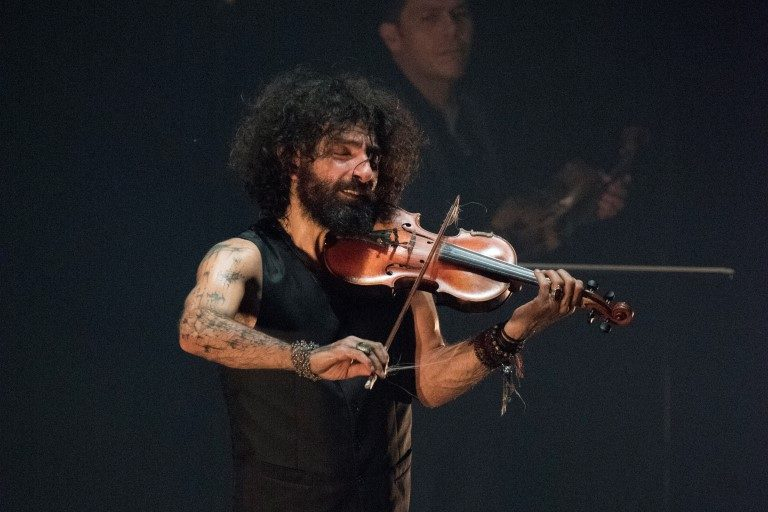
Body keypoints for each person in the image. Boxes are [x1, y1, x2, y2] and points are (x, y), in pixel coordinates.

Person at [178, 69, 586, 512]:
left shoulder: (400, 268)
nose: (367, 171)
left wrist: (512, 333)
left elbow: (429, 383)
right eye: (342, 154)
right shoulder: (243, 257)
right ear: (292, 159)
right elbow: (197, 329)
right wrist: (307, 358)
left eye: (372, 155)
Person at [375, 0, 634, 257]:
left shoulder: (479, 112)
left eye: (459, 13)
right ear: (393, 37)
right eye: (430, 17)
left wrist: (580, 207)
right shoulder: (376, 124)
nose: (452, 29)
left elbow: (520, 206)